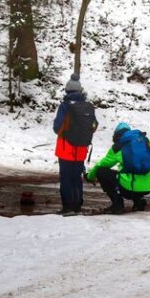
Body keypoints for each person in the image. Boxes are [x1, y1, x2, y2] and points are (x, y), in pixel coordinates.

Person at [86, 122, 150, 214]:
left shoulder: (117, 147)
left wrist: (90, 176)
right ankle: (138, 201)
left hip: (128, 189)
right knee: (133, 174)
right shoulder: (146, 142)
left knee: (102, 172)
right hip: (148, 188)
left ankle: (117, 205)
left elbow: (101, 165)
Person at [52, 74, 98, 215]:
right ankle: (77, 205)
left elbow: (57, 127)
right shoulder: (88, 106)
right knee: (76, 178)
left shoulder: (65, 106)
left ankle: (68, 207)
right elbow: (94, 126)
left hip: (66, 149)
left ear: (67, 91)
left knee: (66, 179)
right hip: (81, 150)